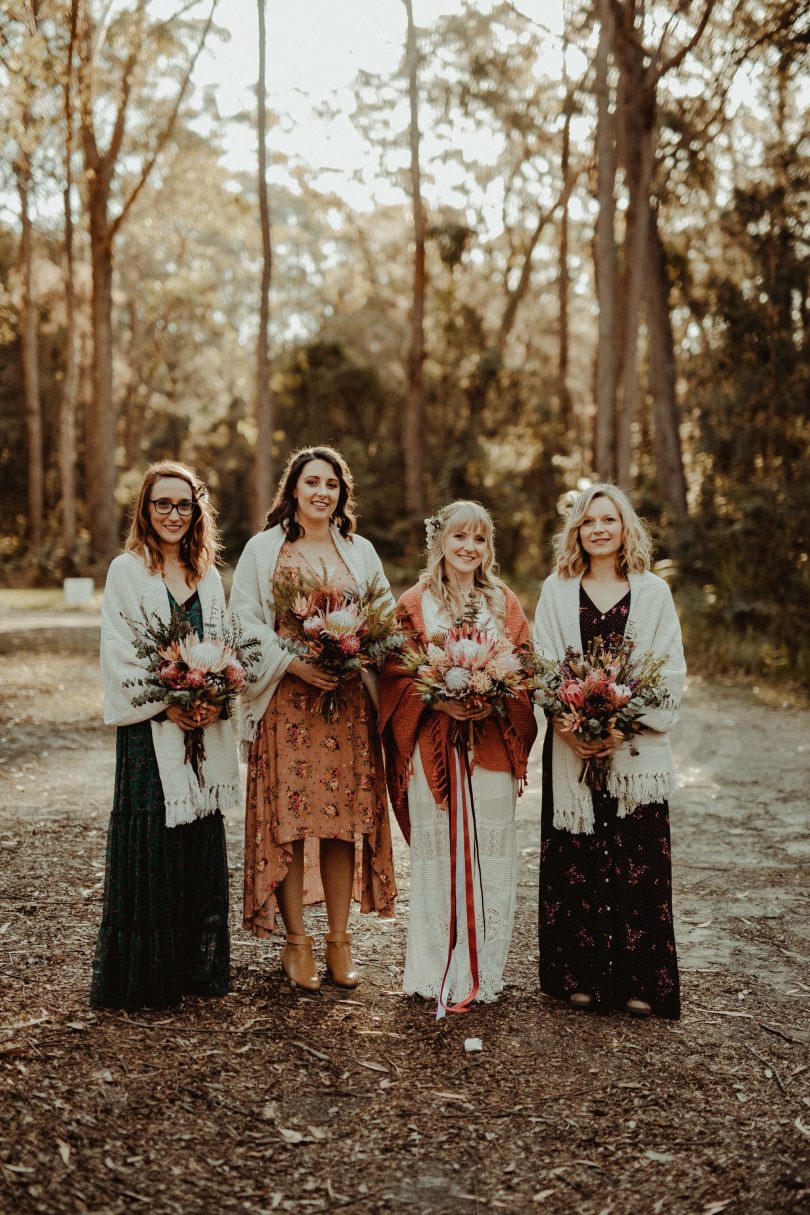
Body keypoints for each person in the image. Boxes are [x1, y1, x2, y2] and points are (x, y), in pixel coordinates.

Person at [230, 446, 396, 992]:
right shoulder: (263, 549)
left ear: (341, 493)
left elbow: (383, 618)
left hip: (347, 705)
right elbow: (245, 623)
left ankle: (339, 943)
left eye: (332, 484)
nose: (322, 492)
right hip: (287, 703)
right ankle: (296, 943)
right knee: (292, 821)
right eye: (311, 483)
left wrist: (354, 652)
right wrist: (294, 662)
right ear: (293, 490)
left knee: (343, 823)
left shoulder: (360, 551)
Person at [533, 483, 685, 1019]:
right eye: (589, 520)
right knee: (576, 857)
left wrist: (623, 725)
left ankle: (642, 982)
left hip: (634, 753)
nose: (599, 528)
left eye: (609, 520)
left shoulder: (652, 594)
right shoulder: (557, 589)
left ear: (626, 529)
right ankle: (580, 978)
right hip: (572, 747)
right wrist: (570, 726)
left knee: (637, 860)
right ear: (577, 530)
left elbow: (667, 671)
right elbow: (543, 666)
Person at [91, 461, 239, 1009]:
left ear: (197, 510)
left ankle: (189, 968)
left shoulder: (208, 575)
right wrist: (167, 704)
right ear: (145, 510)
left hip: (202, 730)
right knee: (154, 838)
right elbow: (119, 656)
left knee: (195, 839)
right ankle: (146, 976)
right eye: (162, 504)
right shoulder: (126, 571)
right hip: (149, 733)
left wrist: (211, 698)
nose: (173, 515)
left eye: (183, 505)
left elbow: (223, 647)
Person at [379, 501, 537, 1012]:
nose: (469, 548)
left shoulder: (503, 602)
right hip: (434, 746)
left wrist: (492, 694)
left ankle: (484, 970)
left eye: (480, 539)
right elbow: (395, 673)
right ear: (440, 542)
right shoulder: (414, 602)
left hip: (491, 745)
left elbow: (526, 668)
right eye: (459, 537)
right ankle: (432, 968)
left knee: (490, 854)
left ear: (489, 547)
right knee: (439, 853)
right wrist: (437, 697)